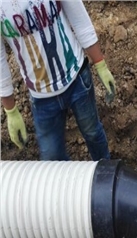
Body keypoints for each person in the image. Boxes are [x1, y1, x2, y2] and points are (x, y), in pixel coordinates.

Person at [1, 0, 115, 161]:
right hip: (41, 97)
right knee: (52, 157)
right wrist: (10, 110)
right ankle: (65, 185)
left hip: (77, 79)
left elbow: (79, 19)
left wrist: (101, 65)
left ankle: (107, 177)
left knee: (93, 133)